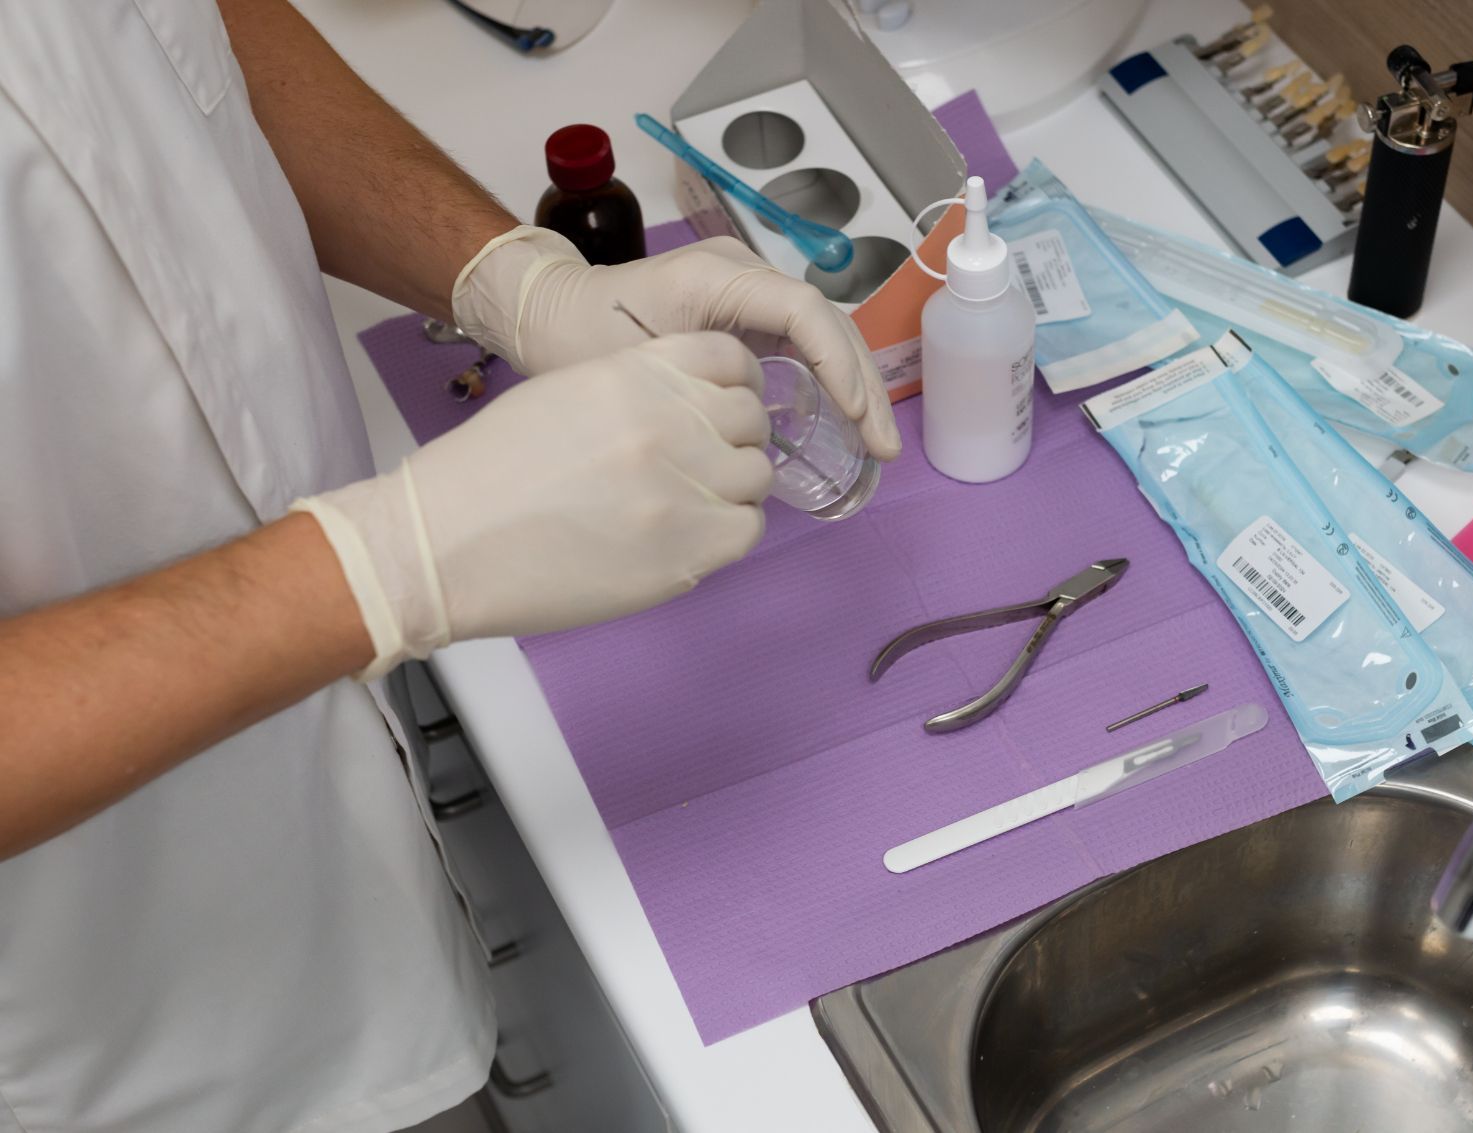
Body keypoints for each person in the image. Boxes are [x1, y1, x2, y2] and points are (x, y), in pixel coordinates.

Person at [0, 2, 900, 1130]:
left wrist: (511, 280)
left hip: (338, 814)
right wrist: (379, 566)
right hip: (129, 1033)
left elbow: (167, 37)